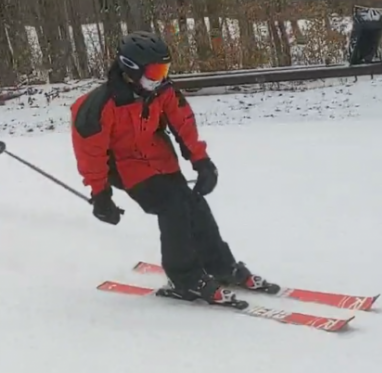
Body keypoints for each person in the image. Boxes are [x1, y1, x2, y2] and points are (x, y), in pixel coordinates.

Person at [70, 31, 278, 306]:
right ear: (131, 69)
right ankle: (185, 278)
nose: (161, 77)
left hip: (159, 160)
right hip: (124, 167)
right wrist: (101, 195)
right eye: (155, 71)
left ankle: (219, 266)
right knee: (173, 205)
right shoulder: (96, 107)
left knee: (193, 203)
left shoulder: (161, 90)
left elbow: (183, 122)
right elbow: (90, 155)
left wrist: (201, 162)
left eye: (165, 69)